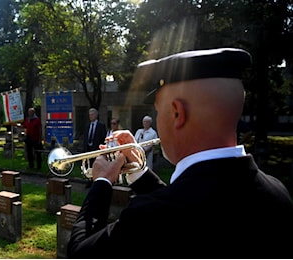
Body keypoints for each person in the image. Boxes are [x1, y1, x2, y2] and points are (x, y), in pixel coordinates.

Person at [67, 48, 293, 258]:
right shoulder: (278, 192)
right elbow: (197, 201)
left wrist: (102, 183)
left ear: (177, 113)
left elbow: (80, 252)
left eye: (158, 111)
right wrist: (138, 172)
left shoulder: (150, 217)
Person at [83, 108, 107, 187]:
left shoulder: (101, 126)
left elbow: (103, 138)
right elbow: (85, 138)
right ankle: (89, 180)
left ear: (96, 115)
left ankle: (95, 181)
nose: (91, 116)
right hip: (88, 149)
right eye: (90, 115)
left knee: (95, 165)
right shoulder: (87, 126)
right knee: (88, 166)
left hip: (96, 149)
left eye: (92, 114)